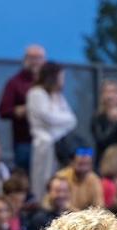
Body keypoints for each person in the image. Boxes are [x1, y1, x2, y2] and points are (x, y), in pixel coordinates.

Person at [26, 62, 77, 199]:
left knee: (58, 177)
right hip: (44, 143)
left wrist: (56, 122)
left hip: (59, 145)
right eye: (61, 76)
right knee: (42, 179)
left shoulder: (58, 96)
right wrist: (59, 121)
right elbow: (48, 117)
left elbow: (72, 119)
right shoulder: (36, 93)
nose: (62, 80)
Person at [0, 45, 45, 171]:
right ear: (25, 59)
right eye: (32, 58)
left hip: (47, 143)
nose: (36, 61)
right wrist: (22, 110)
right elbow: (3, 110)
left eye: (39, 58)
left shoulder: (48, 83)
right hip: (24, 142)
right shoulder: (14, 83)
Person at [55, 148, 104, 212]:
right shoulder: (61, 176)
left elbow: (98, 208)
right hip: (60, 214)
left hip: (84, 218)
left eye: (87, 164)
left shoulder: (94, 180)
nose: (84, 168)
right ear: (72, 162)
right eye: (80, 164)